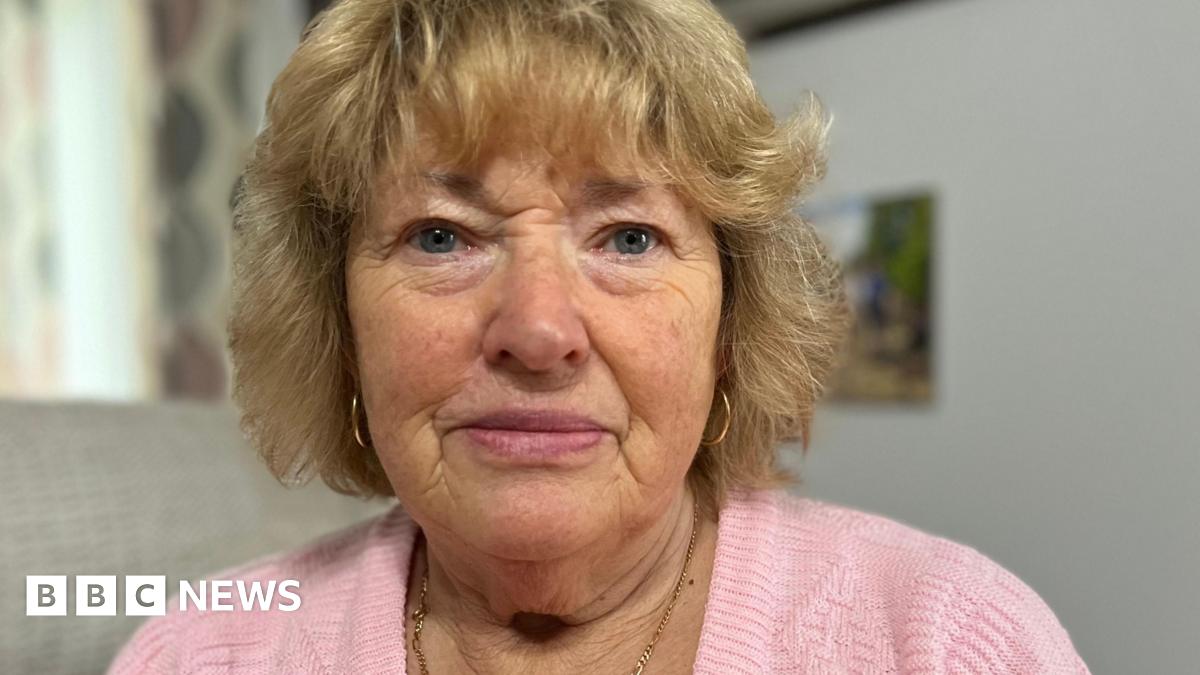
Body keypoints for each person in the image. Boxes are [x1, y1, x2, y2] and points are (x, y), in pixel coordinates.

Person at [110, 0, 1089, 672]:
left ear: (729, 326)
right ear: (339, 325)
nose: (538, 331)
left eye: (628, 237)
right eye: (442, 236)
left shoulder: (951, 640)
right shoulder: (201, 649)